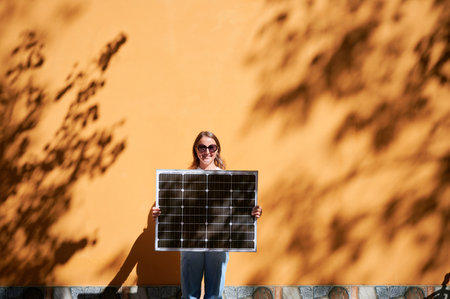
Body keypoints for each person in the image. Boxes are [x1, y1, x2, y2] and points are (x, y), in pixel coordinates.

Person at [152, 131, 262, 299]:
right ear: (196, 150)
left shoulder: (228, 179)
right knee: (190, 295)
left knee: (214, 296)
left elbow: (238, 209)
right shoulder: (183, 179)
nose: (207, 151)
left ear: (217, 150)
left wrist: (254, 212)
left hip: (219, 244)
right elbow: (174, 211)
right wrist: (160, 214)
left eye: (212, 147)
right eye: (202, 147)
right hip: (190, 244)